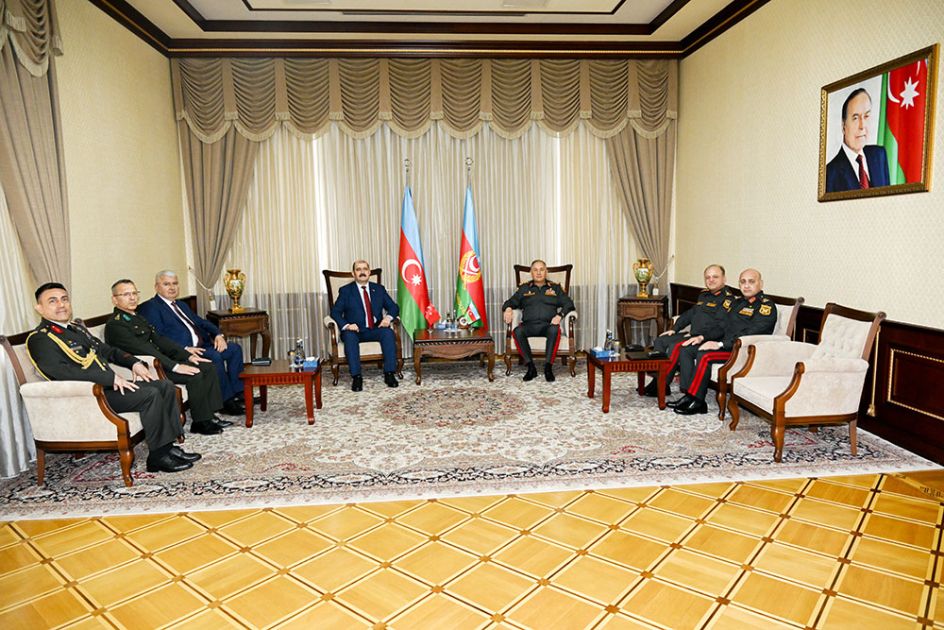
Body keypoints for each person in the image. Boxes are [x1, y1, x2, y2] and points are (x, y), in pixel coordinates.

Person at [26, 283, 201, 473]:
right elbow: (61, 372)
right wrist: (110, 378)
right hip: (88, 396)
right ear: (39, 308)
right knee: (150, 394)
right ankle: (158, 458)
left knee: (165, 386)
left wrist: (133, 362)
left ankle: (168, 447)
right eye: (53, 301)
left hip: (105, 389)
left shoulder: (75, 329)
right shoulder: (40, 338)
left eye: (64, 299)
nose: (61, 305)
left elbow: (107, 350)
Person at [104, 279, 231, 435]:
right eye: (126, 294)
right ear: (115, 300)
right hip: (149, 367)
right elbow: (146, 350)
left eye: (134, 293)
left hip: (162, 360)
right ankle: (201, 423)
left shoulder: (137, 317)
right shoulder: (116, 325)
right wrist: (176, 366)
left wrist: (187, 356)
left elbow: (160, 340)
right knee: (195, 374)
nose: (132, 298)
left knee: (208, 367)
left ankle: (209, 415)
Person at [137, 270, 245, 415]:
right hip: (182, 352)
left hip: (202, 346)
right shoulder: (150, 307)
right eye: (166, 284)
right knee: (215, 357)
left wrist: (218, 334)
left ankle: (239, 392)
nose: (172, 287)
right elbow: (158, 336)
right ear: (157, 287)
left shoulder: (181, 305)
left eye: (175, 283)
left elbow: (201, 322)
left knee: (234, 349)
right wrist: (184, 348)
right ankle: (226, 401)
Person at [673, 268, 777, 415]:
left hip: (744, 352)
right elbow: (722, 326)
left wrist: (720, 344)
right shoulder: (738, 303)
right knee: (688, 349)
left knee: (706, 356)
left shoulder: (766, 307)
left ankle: (698, 401)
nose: (746, 285)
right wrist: (702, 337)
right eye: (743, 282)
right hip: (727, 346)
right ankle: (689, 395)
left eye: (751, 282)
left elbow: (750, 334)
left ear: (761, 284)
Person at [645, 264, 734, 397]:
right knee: (661, 340)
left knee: (676, 346)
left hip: (708, 338)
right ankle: (657, 380)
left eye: (715, 277)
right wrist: (675, 329)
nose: (711, 280)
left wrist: (701, 337)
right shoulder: (704, 295)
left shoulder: (728, 300)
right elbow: (691, 313)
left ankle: (663, 384)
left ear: (724, 279)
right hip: (693, 334)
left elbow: (721, 327)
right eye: (708, 277)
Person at [330, 259, 401, 392]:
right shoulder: (346, 291)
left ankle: (389, 374)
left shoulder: (379, 289)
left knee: (388, 333)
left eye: (365, 269)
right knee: (349, 337)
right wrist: (347, 325)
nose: (362, 272)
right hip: (354, 331)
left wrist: (388, 318)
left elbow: (394, 307)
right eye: (358, 269)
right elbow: (335, 312)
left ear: (369, 272)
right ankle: (356, 377)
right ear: (353, 273)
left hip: (374, 329)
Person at [502, 259, 576, 382]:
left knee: (554, 330)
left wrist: (560, 315)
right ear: (531, 273)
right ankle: (531, 367)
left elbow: (569, 304)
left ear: (546, 272)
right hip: (529, 325)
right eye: (535, 270)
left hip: (548, 326)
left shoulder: (555, 288)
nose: (538, 272)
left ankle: (548, 367)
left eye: (541, 269)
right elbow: (509, 302)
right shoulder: (524, 288)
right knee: (517, 331)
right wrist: (508, 309)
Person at [825, 88, 891, 193]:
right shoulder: (829, 174)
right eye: (855, 118)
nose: (862, 126)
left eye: (866, 116)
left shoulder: (879, 155)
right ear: (843, 126)